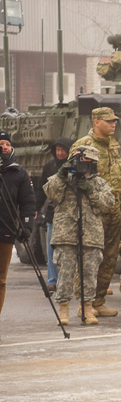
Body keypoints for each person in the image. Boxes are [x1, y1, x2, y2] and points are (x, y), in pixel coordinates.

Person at [43, 146, 115, 325]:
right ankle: (63, 309)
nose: (86, 166)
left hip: (91, 234)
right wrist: (61, 174)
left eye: (90, 162)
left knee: (89, 274)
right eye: (83, 161)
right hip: (66, 233)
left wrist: (90, 191)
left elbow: (108, 204)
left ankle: (87, 308)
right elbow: (50, 193)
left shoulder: (99, 183)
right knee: (65, 273)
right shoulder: (63, 179)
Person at [71, 107, 121, 317]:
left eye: (114, 121)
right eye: (109, 121)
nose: (113, 125)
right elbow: (74, 179)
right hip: (92, 212)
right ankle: (85, 304)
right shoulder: (83, 146)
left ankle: (99, 300)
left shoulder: (112, 145)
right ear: (96, 122)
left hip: (113, 210)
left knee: (109, 258)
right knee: (89, 259)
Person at [0, 132, 36, 325]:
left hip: (5, 232)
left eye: (7, 144)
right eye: (0, 144)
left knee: (1, 280)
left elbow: (28, 202)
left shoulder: (19, 173)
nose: (4, 147)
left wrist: (27, 225)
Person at [35, 137, 73, 289]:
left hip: (72, 215)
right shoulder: (50, 166)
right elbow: (41, 189)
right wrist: (37, 209)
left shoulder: (75, 167)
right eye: (57, 150)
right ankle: (52, 281)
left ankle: (73, 282)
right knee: (51, 248)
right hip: (53, 214)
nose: (60, 153)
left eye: (63, 150)